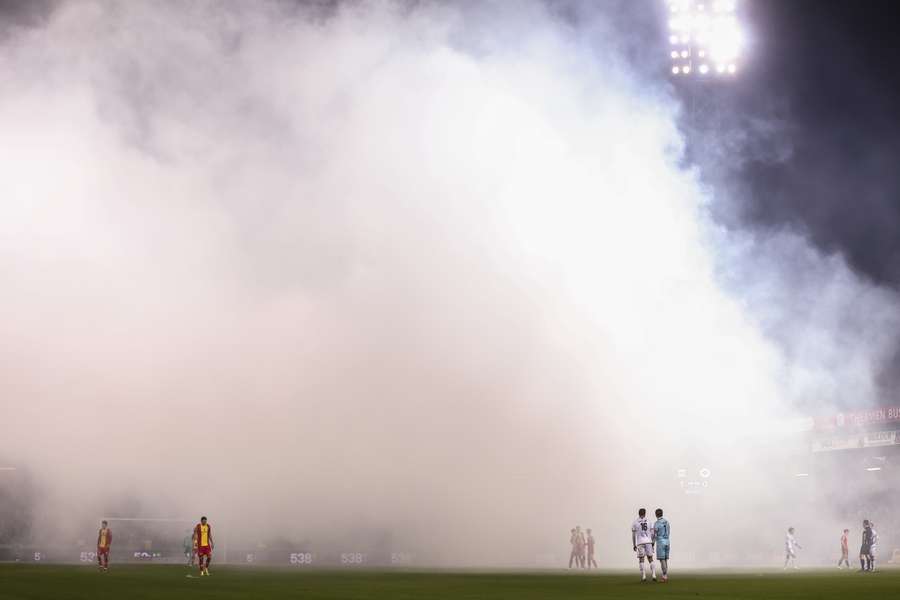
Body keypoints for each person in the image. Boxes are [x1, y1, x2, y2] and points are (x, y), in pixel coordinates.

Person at [631, 508, 657, 582]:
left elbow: (633, 535)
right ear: (645, 513)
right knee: (650, 558)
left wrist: (634, 545)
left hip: (640, 542)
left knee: (641, 559)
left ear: (638, 513)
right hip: (648, 541)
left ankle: (644, 576)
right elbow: (652, 533)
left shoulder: (635, 522)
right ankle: (654, 575)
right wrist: (652, 542)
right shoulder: (649, 522)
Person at [653, 509, 670, 582]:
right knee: (665, 559)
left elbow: (654, 534)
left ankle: (664, 576)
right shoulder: (667, 522)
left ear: (656, 514)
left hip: (660, 541)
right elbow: (669, 531)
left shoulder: (657, 523)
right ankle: (665, 575)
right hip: (667, 541)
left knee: (662, 559)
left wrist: (653, 543)